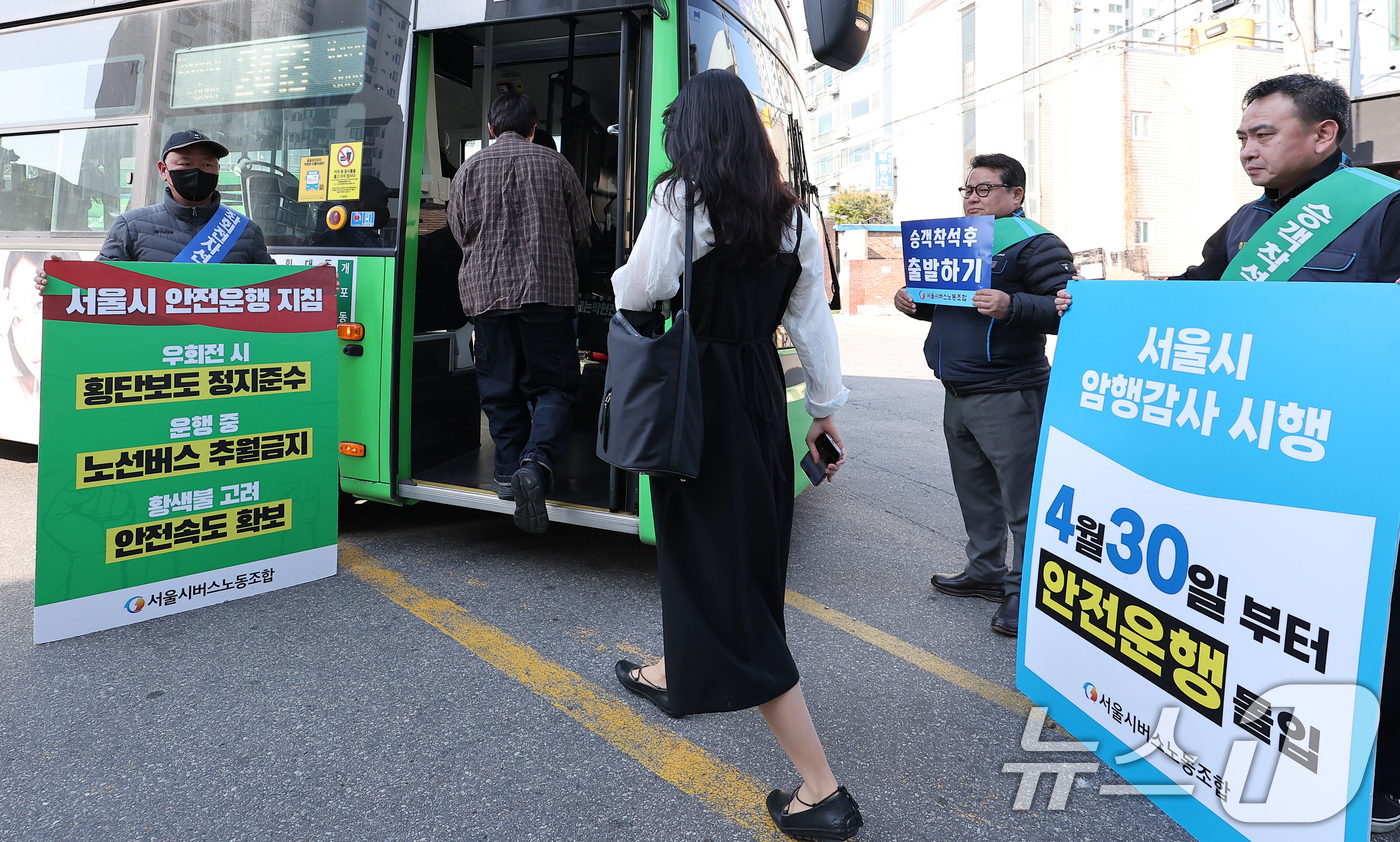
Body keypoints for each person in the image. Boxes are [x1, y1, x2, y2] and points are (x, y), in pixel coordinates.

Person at [1051, 74, 1400, 832]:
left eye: (1262, 134)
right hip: (1255, 461)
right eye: (1241, 136)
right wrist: (1098, 307)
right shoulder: (1244, 224)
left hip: (1351, 466)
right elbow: (1192, 297)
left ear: (1323, 136)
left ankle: (1382, 783)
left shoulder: (1383, 210)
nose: (1247, 149)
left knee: (1371, 622)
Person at [608, 69, 860, 842]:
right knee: (735, 554)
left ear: (693, 134)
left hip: (695, 395)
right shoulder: (793, 215)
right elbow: (811, 323)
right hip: (755, 390)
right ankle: (674, 670)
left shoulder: (680, 197)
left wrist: (625, 274)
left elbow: (639, 289)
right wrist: (823, 412)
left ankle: (822, 789)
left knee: (723, 573)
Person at [894, 153, 1074, 638]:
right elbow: (946, 306)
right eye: (968, 190)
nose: (972, 198)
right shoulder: (960, 242)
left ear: (1015, 194)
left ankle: (1023, 588)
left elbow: (1068, 308)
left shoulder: (1036, 243)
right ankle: (985, 572)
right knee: (975, 492)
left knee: (1023, 501)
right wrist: (912, 302)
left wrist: (1013, 304)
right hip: (958, 389)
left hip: (1010, 392)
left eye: (984, 189)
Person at [447, 93, 592, 534]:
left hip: (486, 300)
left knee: (499, 389)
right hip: (547, 296)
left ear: (490, 129)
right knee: (555, 387)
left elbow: (457, 232)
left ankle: (509, 476)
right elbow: (582, 230)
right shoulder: (557, 165)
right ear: (534, 128)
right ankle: (537, 462)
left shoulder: (468, 171)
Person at [33, 129, 274, 290]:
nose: (198, 171)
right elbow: (98, 288)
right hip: (155, 355)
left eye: (207, 164)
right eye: (186, 164)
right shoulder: (131, 226)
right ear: (163, 170)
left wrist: (312, 281)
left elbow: (276, 291)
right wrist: (60, 283)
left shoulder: (246, 231)